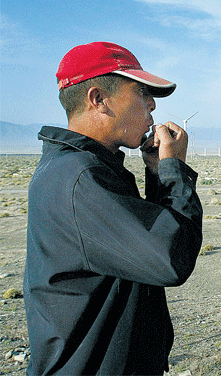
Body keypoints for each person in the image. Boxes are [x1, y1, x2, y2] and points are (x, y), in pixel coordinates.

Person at [23, 42, 203, 375]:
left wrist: (155, 173)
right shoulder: (81, 179)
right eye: (141, 93)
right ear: (98, 99)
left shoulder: (80, 170)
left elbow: (144, 255)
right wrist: (174, 170)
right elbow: (171, 258)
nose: (151, 106)